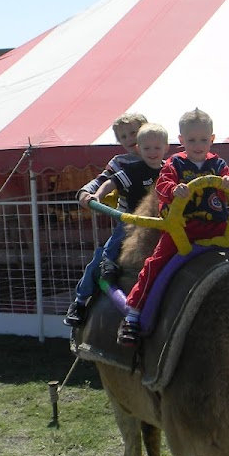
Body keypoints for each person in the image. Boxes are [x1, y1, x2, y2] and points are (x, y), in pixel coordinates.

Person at [118, 108, 229, 345]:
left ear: (211, 139)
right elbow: (162, 185)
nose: (198, 145)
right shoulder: (175, 164)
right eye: (191, 140)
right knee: (154, 264)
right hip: (183, 230)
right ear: (181, 141)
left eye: (203, 140)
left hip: (217, 227)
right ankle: (133, 314)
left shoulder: (218, 164)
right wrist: (173, 190)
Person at [64, 114, 162, 327]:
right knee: (104, 257)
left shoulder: (163, 163)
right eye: (123, 136)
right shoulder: (122, 163)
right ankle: (80, 301)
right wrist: (88, 194)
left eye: (133, 133)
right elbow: (103, 181)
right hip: (129, 223)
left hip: (159, 222)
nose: (129, 139)